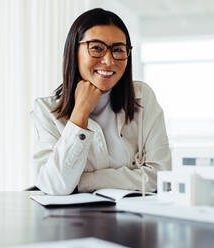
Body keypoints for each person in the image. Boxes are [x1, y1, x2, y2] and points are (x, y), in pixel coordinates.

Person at [31, 8, 171, 195]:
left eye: (118, 50)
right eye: (96, 48)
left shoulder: (142, 97)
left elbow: (162, 177)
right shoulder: (46, 110)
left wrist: (84, 182)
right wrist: (80, 112)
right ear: (74, 51)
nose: (108, 60)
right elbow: (56, 185)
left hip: (133, 219)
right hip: (73, 222)